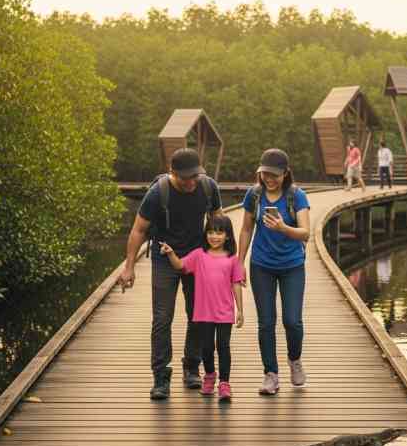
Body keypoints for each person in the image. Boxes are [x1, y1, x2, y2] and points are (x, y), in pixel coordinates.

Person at [118, 148, 222, 400]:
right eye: (185, 177)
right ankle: (161, 377)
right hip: (164, 257)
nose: (191, 182)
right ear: (172, 172)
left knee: (197, 314)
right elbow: (138, 230)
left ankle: (191, 367)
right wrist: (129, 266)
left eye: (194, 176)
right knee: (162, 318)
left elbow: (218, 221)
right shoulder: (158, 193)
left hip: (196, 257)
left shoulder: (208, 187)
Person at [237, 148, 311, 395]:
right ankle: (271, 374)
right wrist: (239, 262)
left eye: (275, 175)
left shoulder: (296, 196)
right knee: (266, 322)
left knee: (292, 320)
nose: (269, 179)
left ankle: (295, 360)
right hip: (261, 266)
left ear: (285, 174)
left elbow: (306, 233)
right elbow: (246, 229)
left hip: (292, 265)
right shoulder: (254, 195)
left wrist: (282, 228)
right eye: (265, 174)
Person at [160, 214, 244, 401]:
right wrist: (171, 253)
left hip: (225, 312)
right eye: (211, 232)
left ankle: (224, 383)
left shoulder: (233, 259)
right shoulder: (199, 255)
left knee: (223, 346)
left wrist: (240, 310)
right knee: (206, 348)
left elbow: (236, 284)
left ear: (228, 236)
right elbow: (181, 266)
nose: (214, 237)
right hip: (203, 312)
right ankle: (209, 375)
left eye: (219, 233)